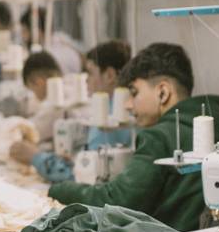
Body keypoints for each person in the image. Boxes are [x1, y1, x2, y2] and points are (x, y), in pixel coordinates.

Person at [48, 43, 219, 232]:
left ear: (163, 92)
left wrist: (58, 189)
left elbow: (117, 201)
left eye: (134, 93)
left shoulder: (160, 136)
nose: (128, 104)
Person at [19, 40, 135, 182]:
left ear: (109, 75)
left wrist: (35, 157)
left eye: (91, 73)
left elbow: (83, 177)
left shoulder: (114, 120)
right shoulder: (109, 109)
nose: (86, 80)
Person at [8, 52, 65, 165]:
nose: (33, 95)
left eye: (32, 89)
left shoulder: (56, 106)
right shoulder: (67, 90)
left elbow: (29, 131)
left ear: (39, 82)